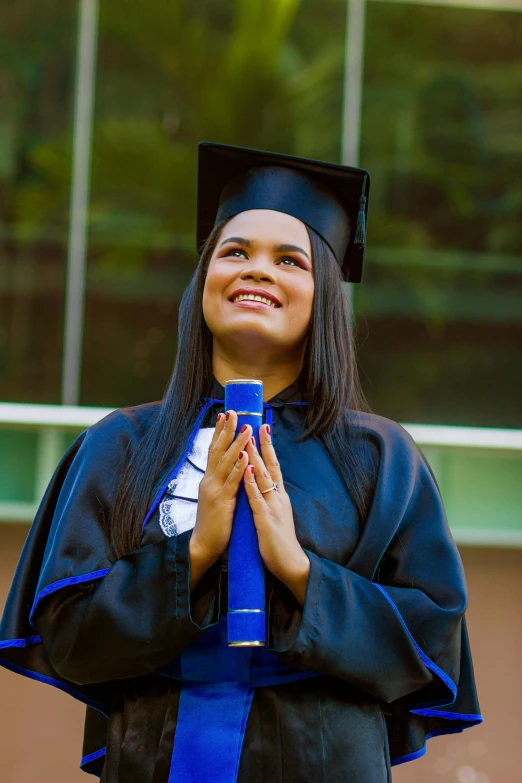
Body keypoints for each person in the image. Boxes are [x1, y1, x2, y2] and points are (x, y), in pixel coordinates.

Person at [0, 142, 482, 782]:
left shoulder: (379, 457)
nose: (258, 270)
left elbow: (427, 647)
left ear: (323, 297)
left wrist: (300, 570)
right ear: (204, 282)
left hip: (325, 763)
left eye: (289, 260)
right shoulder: (121, 443)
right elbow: (68, 637)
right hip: (156, 759)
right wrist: (194, 552)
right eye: (235, 252)